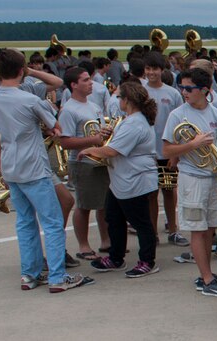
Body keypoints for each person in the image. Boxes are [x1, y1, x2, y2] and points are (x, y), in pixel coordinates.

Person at [0, 48, 92, 292]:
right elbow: (55, 127)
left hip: (11, 166)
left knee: (25, 223)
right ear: (21, 70)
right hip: (34, 166)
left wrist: (1, 167)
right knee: (53, 222)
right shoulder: (30, 99)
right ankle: (57, 277)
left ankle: (30, 274)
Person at [162, 68, 217, 298]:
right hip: (192, 178)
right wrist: (193, 144)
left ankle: (208, 273)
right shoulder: (177, 115)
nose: (184, 92)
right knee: (197, 229)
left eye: (188, 88)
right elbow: (166, 150)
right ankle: (206, 278)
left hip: (213, 178)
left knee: (210, 227)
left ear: (205, 90)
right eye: (182, 87)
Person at [80, 82, 160, 278]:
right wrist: (109, 134)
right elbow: (116, 143)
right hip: (121, 181)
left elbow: (113, 150)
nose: (117, 101)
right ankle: (116, 257)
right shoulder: (130, 120)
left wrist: (90, 149)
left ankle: (147, 261)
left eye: (118, 97)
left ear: (127, 100)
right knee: (113, 217)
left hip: (134, 180)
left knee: (141, 222)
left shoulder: (135, 123)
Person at [57, 67, 111, 262]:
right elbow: (64, 142)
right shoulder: (69, 110)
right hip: (82, 162)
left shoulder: (93, 105)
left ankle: (106, 240)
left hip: (99, 159)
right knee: (84, 204)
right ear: (74, 85)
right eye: (86, 80)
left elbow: (98, 131)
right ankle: (83, 245)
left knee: (103, 203)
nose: (90, 83)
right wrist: (94, 140)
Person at [143, 52, 188, 247]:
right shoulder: (140, 92)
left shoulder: (172, 93)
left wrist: (176, 154)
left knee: (169, 191)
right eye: (148, 68)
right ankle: (152, 233)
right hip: (147, 154)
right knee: (151, 194)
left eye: (155, 69)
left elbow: (180, 122)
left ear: (162, 70)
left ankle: (173, 230)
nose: (151, 72)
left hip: (166, 154)